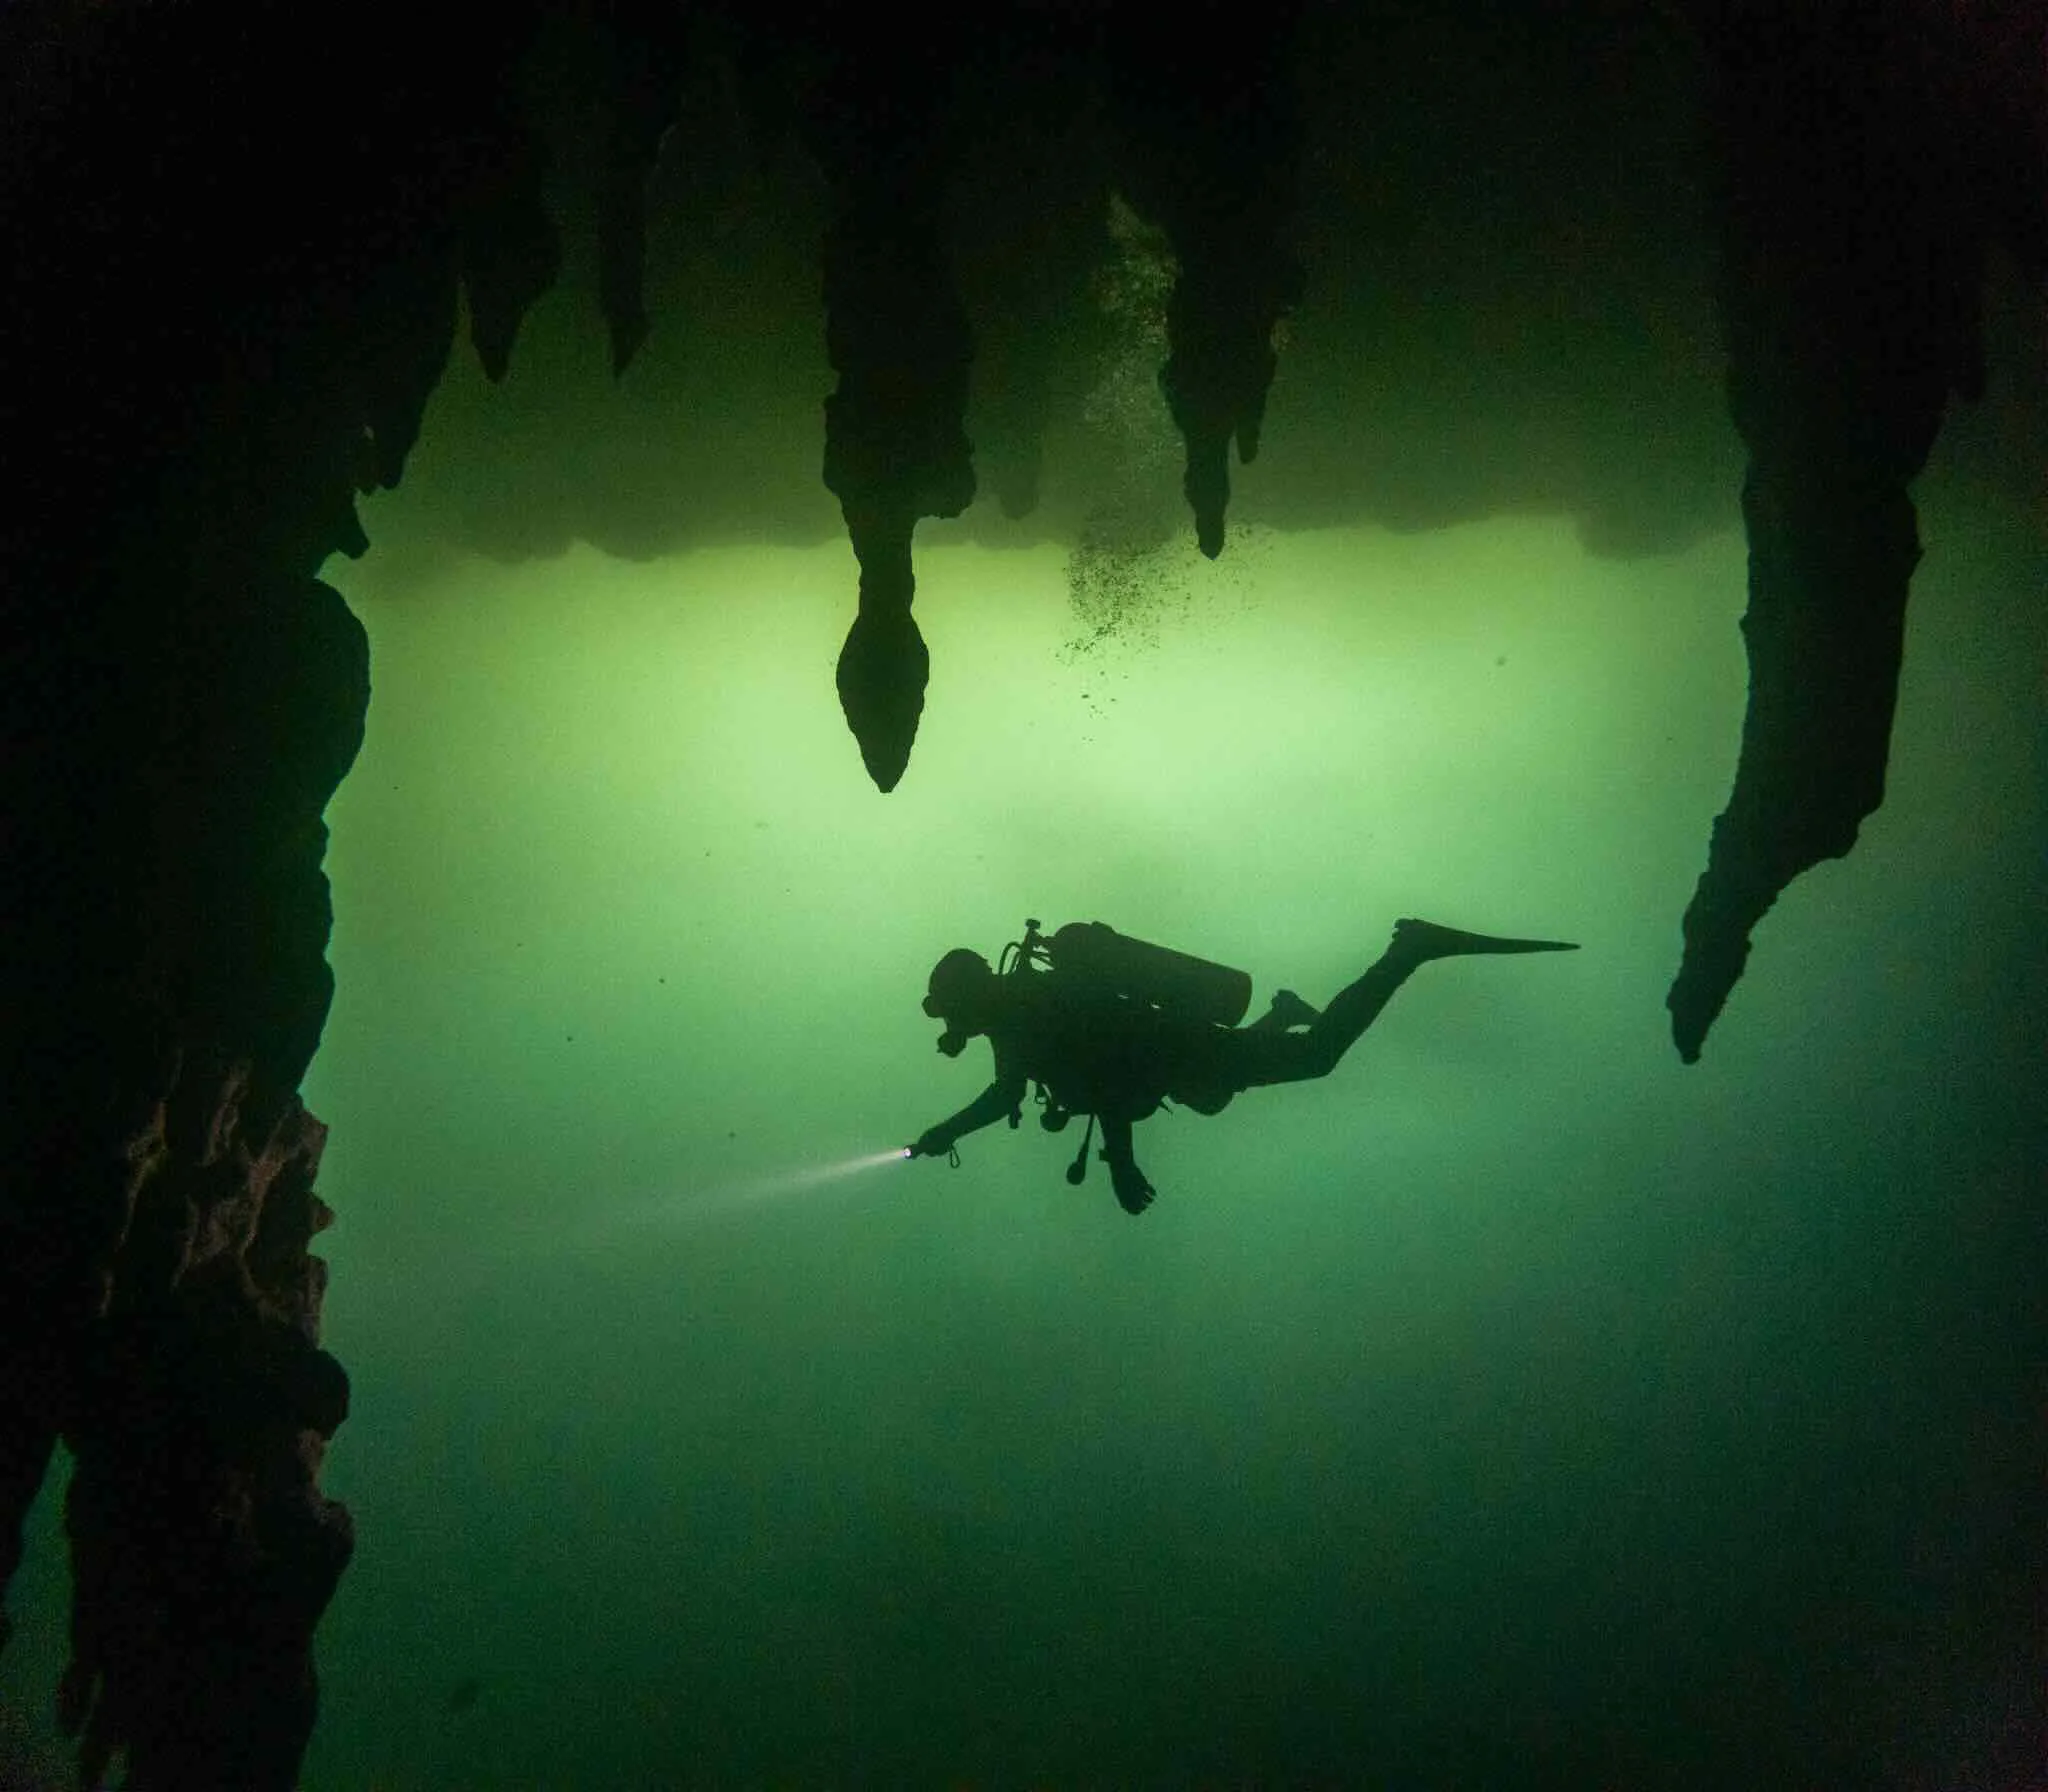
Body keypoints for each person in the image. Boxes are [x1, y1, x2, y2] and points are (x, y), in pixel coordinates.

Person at [907, 917, 1578, 1214]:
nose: (951, 1026)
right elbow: (1005, 1096)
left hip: (1184, 1049)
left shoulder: (1028, 1011)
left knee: (1315, 1059)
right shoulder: (1017, 1018)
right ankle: (1296, 1005)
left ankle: (1408, 951)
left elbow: (1107, 1073)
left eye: (950, 1011)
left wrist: (1124, 1163)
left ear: (970, 994)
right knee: (1221, 1093)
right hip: (1181, 1062)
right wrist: (948, 1133)